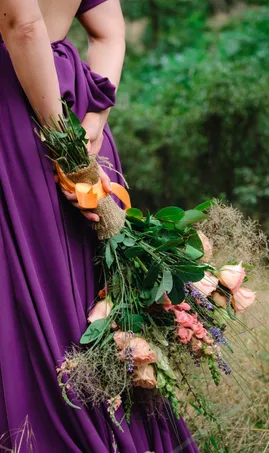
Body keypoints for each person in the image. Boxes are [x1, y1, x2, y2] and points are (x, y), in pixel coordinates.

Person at [0, 1, 199, 451]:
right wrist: (90, 125)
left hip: (18, 114)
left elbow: (23, 25)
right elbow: (109, 31)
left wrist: (64, 145)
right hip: (69, 109)